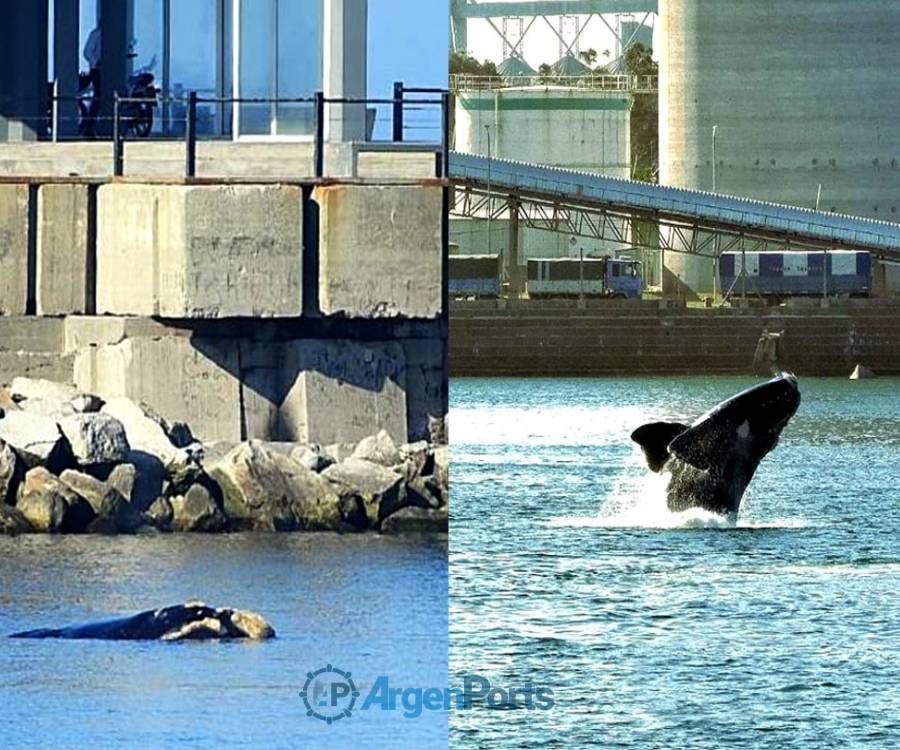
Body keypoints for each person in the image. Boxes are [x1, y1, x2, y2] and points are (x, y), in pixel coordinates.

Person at [82, 23, 102, 135]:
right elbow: (87, 52)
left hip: (108, 69)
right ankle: (90, 125)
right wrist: (96, 62)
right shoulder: (96, 34)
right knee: (98, 96)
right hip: (97, 70)